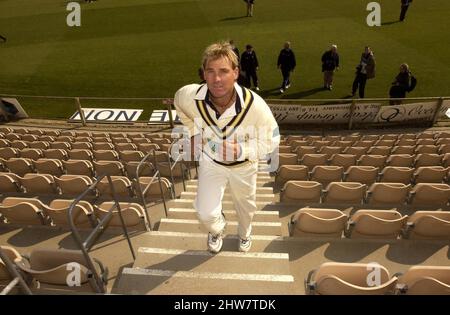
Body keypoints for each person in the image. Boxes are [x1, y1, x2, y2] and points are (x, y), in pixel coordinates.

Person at [174, 41, 279, 254]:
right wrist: (194, 131)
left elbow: (272, 139)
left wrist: (241, 150)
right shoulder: (189, 95)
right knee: (205, 214)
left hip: (244, 167)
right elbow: (178, 104)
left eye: (223, 71)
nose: (217, 79)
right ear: (203, 74)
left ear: (236, 73)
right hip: (211, 163)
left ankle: (244, 233)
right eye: (210, 71)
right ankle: (217, 228)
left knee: (246, 208)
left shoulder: (255, 105)